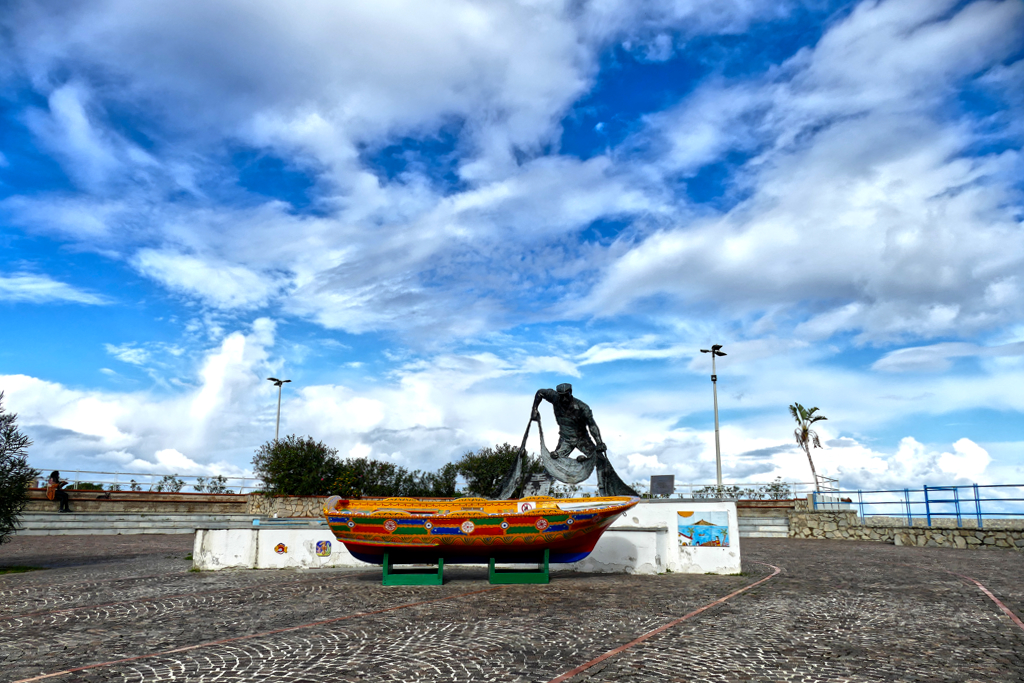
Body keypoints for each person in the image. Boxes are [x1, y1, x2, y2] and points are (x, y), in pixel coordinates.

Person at [530, 383, 606, 461]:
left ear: (571, 392)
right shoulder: (555, 397)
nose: (564, 399)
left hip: (582, 439)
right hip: (565, 439)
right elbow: (540, 392)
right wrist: (534, 409)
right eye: (561, 396)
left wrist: (599, 443)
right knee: (554, 462)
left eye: (566, 395)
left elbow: (592, 425)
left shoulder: (582, 408)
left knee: (600, 461)